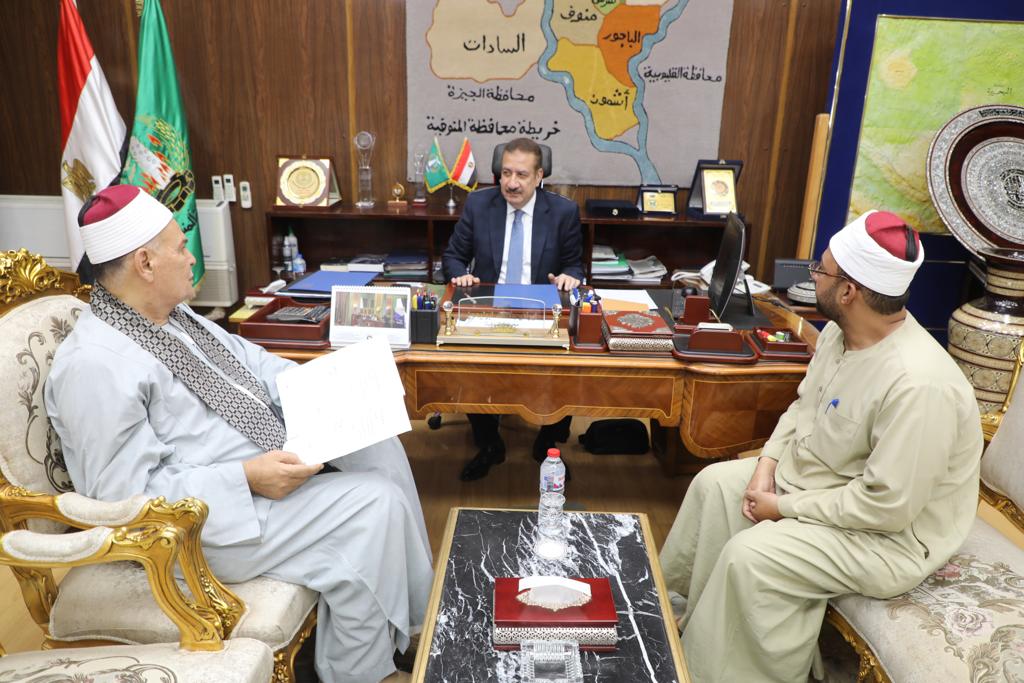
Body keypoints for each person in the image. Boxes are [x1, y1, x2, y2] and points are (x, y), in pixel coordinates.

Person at [44, 185, 432, 683]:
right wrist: (247, 476)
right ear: (145, 263)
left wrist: (335, 389)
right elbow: (123, 498)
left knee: (378, 449)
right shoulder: (94, 367)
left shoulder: (172, 316)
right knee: (374, 506)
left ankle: (407, 634)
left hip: (259, 468)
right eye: (181, 248)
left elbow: (257, 366)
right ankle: (368, 669)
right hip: (206, 520)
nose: (191, 258)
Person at [658, 210, 982, 682]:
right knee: (715, 486)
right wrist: (767, 463)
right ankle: (677, 630)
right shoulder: (839, 332)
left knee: (752, 558)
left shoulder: (919, 385)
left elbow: (886, 508)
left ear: (848, 292)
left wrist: (783, 507)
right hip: (823, 483)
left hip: (890, 539)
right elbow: (804, 406)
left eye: (820, 269)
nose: (812, 275)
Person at [443, 137, 584, 481]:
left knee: (569, 366)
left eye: (521, 174)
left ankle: (547, 442)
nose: (512, 183)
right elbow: (453, 256)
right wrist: (461, 275)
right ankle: (490, 444)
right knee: (470, 367)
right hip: (489, 310)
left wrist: (568, 277)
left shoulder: (562, 212)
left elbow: (575, 265)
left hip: (541, 313)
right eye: (506, 173)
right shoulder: (479, 205)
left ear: (539, 176)